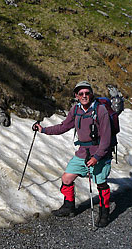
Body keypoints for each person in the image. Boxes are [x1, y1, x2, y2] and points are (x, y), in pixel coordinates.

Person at [34, 81, 112, 227]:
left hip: (100, 154)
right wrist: (43, 130)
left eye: (87, 93)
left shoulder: (101, 111)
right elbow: (63, 126)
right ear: (76, 95)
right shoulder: (76, 110)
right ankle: (69, 208)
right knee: (67, 178)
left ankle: (104, 214)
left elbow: (106, 139)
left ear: (91, 94)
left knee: (101, 184)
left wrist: (97, 157)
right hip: (82, 153)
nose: (84, 96)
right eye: (81, 93)